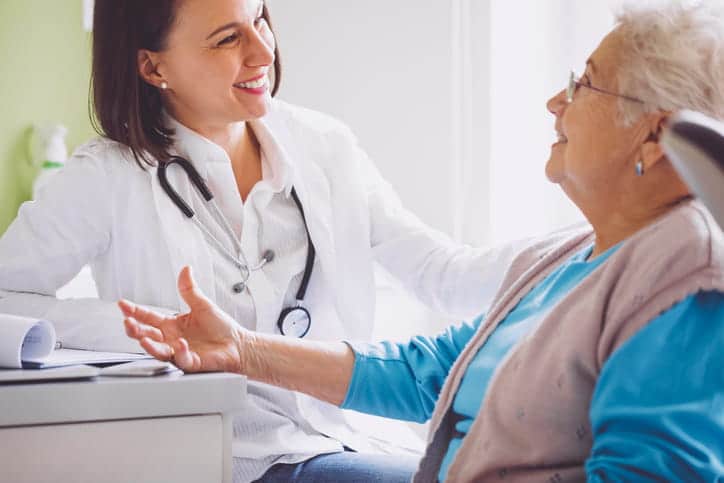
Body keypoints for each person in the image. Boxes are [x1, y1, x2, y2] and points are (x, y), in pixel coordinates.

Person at [120, 2, 724, 481]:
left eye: (585, 84)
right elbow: (434, 374)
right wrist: (243, 349)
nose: (554, 102)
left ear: (655, 139)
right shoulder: (568, 257)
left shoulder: (683, 269)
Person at [0, 0, 520, 482]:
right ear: (153, 67)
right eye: (228, 39)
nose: (264, 50)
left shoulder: (324, 146)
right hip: (231, 455)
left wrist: (588, 252)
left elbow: (442, 275)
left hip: (350, 438)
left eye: (261, 19)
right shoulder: (108, 175)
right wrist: (135, 325)